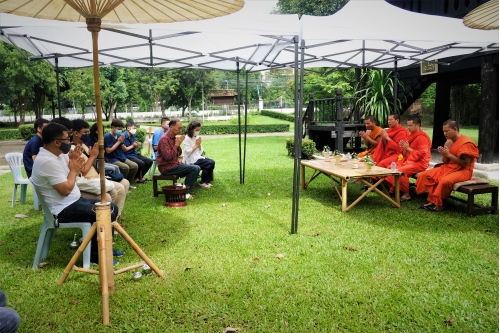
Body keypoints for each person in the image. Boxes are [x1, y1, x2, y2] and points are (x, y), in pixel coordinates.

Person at [30, 123, 120, 264]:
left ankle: (105, 248)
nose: (70, 142)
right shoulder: (46, 161)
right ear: (57, 142)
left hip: (74, 201)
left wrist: (74, 163)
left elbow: (78, 170)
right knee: (106, 211)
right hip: (62, 210)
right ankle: (96, 256)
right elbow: (65, 190)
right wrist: (73, 170)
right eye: (67, 139)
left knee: (111, 207)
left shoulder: (58, 155)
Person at [72, 119, 130, 221]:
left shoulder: (83, 145)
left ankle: (115, 216)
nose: (87, 134)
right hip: (88, 180)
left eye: (87, 132)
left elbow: (95, 160)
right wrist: (93, 156)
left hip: (96, 176)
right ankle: (110, 220)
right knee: (117, 190)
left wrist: (97, 152)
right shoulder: (73, 150)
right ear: (75, 133)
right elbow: (83, 171)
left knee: (125, 182)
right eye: (84, 132)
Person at [416, 120, 479, 212]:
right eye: (443, 131)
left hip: (464, 170)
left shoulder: (466, 143)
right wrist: (444, 154)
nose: (445, 133)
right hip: (449, 167)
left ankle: (440, 204)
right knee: (425, 175)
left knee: (445, 181)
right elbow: (445, 161)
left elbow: (466, 163)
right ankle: (432, 200)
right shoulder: (448, 143)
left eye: (447, 131)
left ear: (455, 129)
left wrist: (449, 155)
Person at [384, 116, 431, 201]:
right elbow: (405, 153)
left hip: (420, 163)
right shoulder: (410, 136)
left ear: (418, 125)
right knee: (390, 168)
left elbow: (421, 155)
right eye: (408, 125)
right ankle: (395, 188)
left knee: (400, 171)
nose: (408, 128)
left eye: (410, 125)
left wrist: (408, 148)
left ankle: (406, 194)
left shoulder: (422, 138)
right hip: (409, 160)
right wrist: (404, 148)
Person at [156, 118, 200, 199]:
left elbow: (179, 153)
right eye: (179, 128)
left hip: (174, 164)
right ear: (171, 127)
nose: (180, 130)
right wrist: (176, 144)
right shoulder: (164, 139)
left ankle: (183, 188)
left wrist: (178, 144)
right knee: (194, 168)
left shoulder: (174, 138)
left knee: (196, 167)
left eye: (181, 128)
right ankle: (184, 192)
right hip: (166, 167)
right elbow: (168, 157)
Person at [104, 119, 138, 185]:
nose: (120, 130)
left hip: (121, 156)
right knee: (125, 168)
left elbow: (123, 148)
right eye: (118, 129)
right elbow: (108, 151)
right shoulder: (107, 136)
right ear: (113, 127)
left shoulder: (120, 135)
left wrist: (132, 145)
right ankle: (122, 184)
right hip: (112, 158)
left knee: (134, 166)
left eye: (121, 129)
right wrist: (119, 142)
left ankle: (129, 183)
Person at [183, 121, 215, 188]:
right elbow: (187, 152)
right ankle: (203, 182)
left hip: (198, 157)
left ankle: (205, 181)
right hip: (190, 159)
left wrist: (199, 144)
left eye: (199, 130)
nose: (198, 132)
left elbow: (201, 151)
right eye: (196, 130)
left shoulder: (197, 137)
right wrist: (196, 145)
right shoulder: (186, 138)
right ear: (191, 129)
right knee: (209, 163)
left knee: (211, 162)